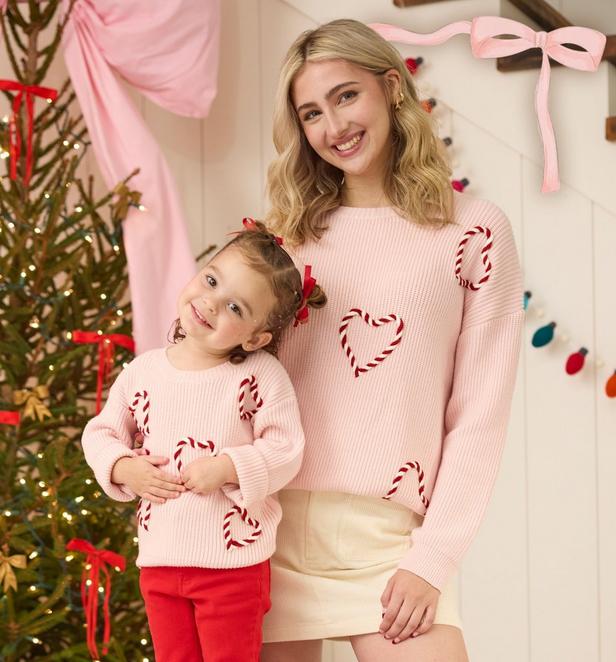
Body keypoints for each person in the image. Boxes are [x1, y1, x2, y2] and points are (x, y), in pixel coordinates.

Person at [260, 19, 523, 662]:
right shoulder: (284, 237)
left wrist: (433, 558)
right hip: (268, 526)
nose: (334, 127)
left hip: (389, 535)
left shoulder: (474, 233)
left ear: (391, 88)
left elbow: (479, 416)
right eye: (312, 113)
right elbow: (236, 379)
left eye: (346, 96)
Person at [81, 221, 325, 662]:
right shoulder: (144, 372)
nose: (210, 303)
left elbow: (286, 449)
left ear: (256, 337)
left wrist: (230, 467)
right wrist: (121, 466)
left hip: (232, 568)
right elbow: (100, 433)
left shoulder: (259, 376)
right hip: (160, 559)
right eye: (211, 280)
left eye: (234, 307)